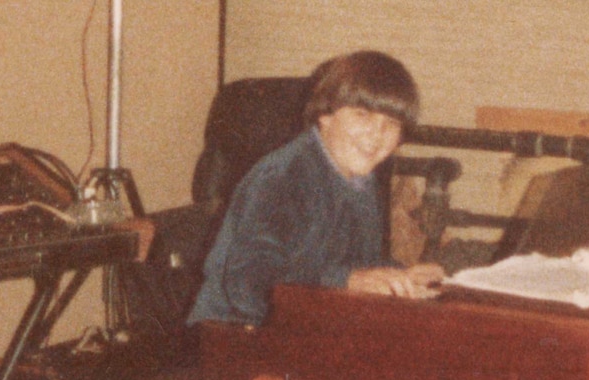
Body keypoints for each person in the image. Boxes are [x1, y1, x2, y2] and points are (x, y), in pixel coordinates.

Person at [187, 50, 445, 327]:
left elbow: (355, 265)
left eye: (391, 123)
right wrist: (346, 281)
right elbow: (249, 284)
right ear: (325, 115)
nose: (376, 134)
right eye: (363, 115)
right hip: (234, 333)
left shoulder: (360, 181)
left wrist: (401, 276)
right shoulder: (283, 177)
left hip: (311, 327)